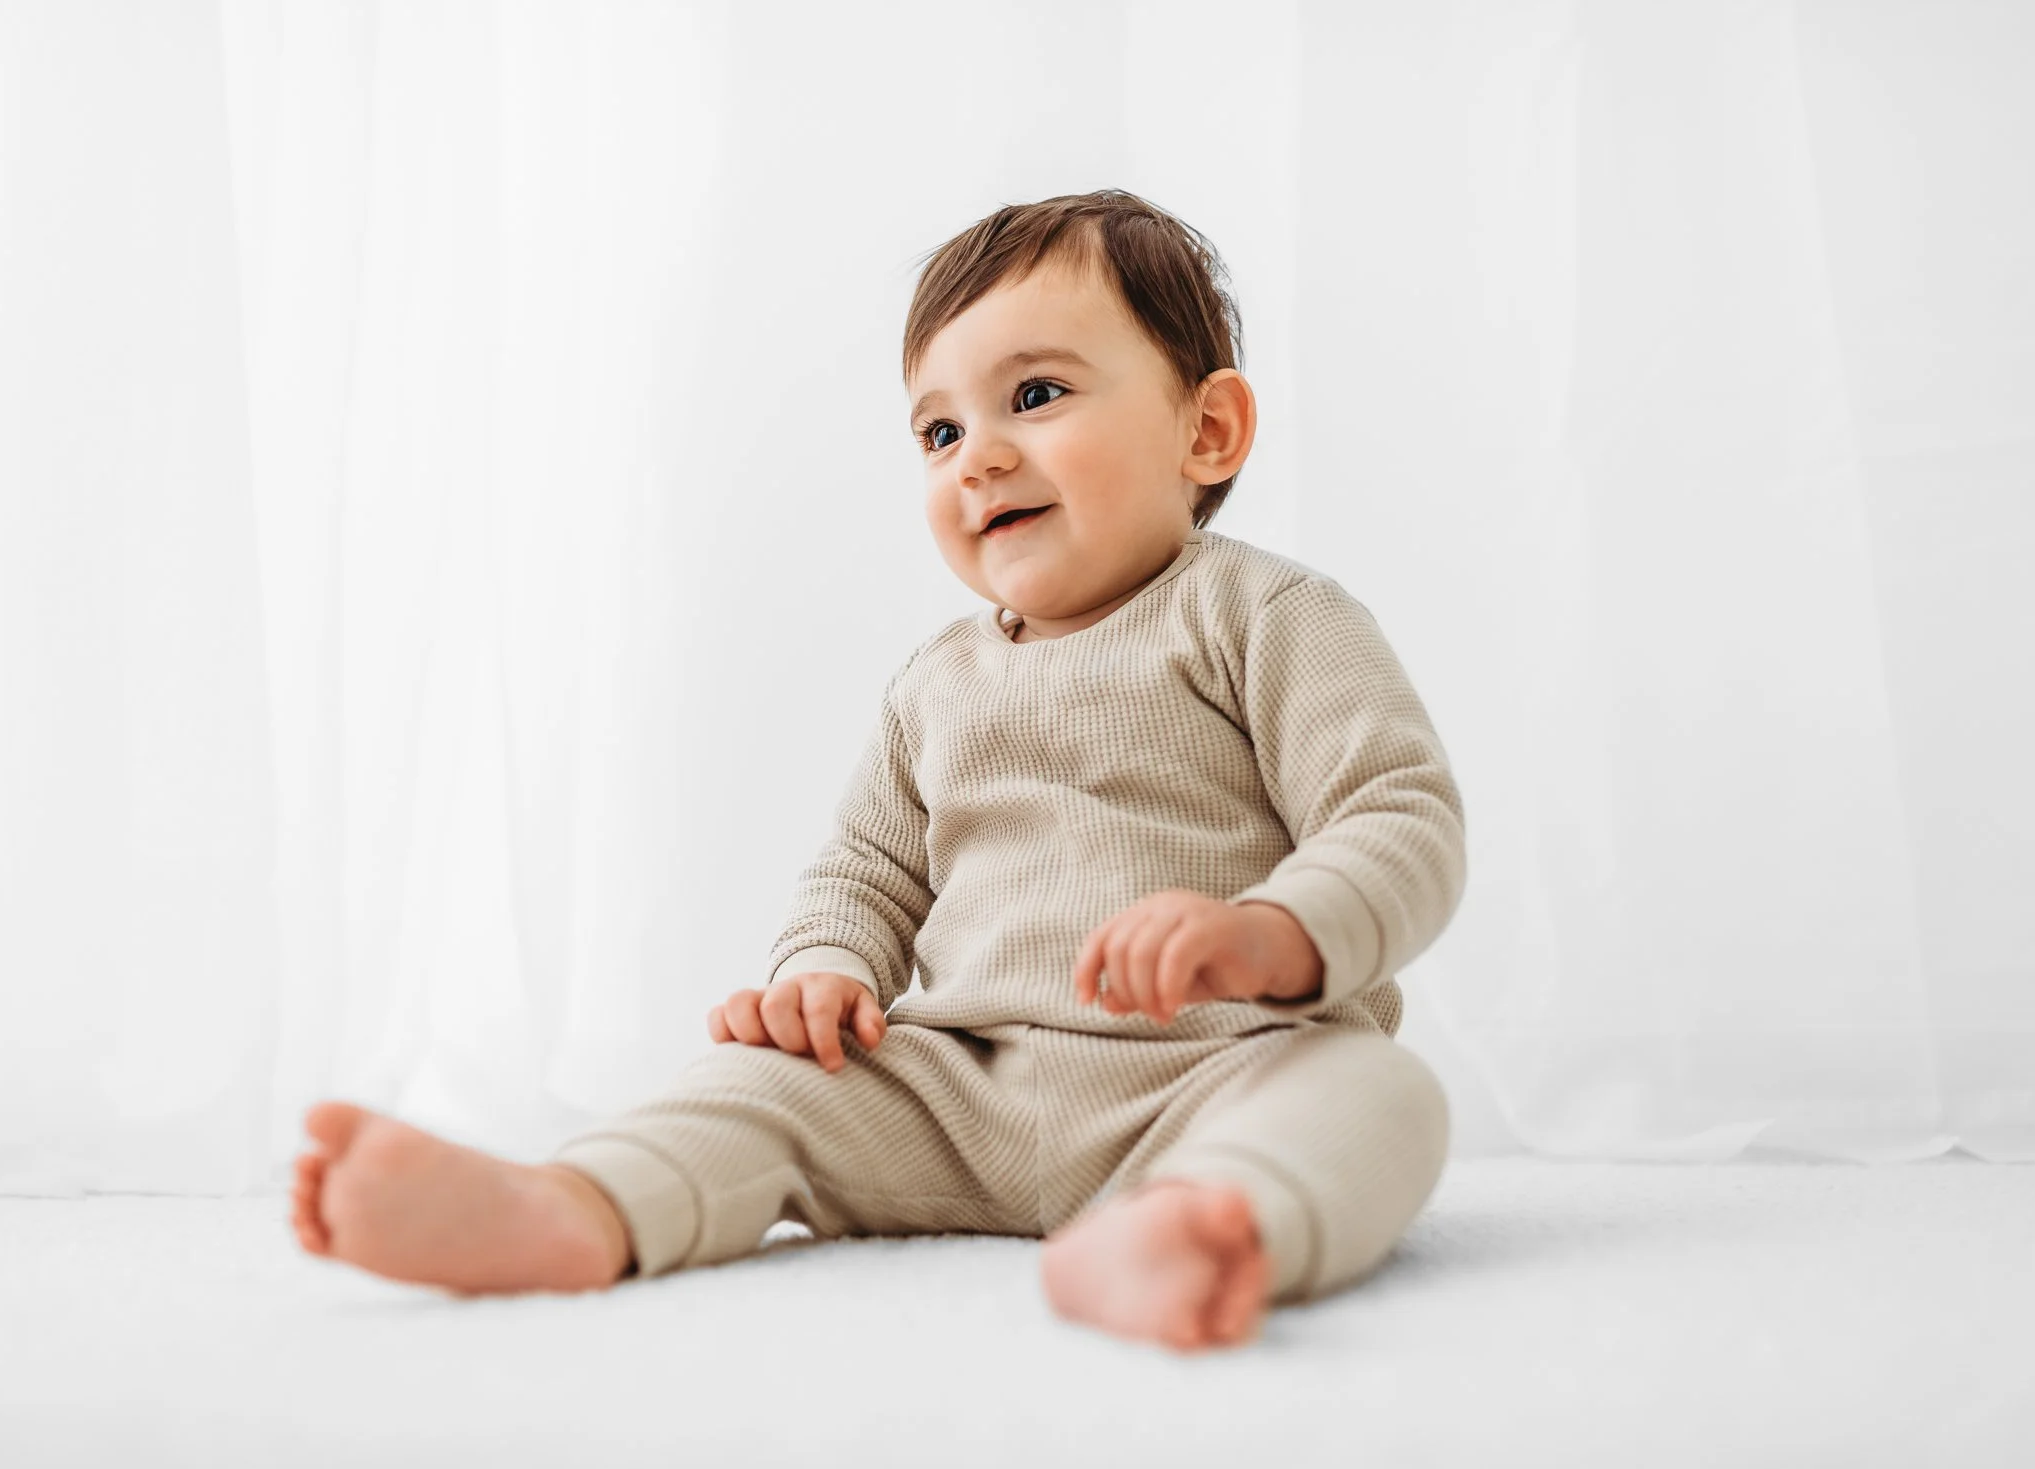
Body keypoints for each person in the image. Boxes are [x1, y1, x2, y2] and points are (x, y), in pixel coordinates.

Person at [291, 188, 1464, 1354]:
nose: (978, 457)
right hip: (962, 1084)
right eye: (939, 432)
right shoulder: (932, 684)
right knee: (759, 1082)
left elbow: (1397, 814)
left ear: (1204, 431)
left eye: (1037, 395)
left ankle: (1200, 1225)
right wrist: (823, 968)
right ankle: (571, 1207)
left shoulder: (1262, 615)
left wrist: (1274, 931)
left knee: (1378, 1097)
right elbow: (862, 869)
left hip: (1223, 1068)